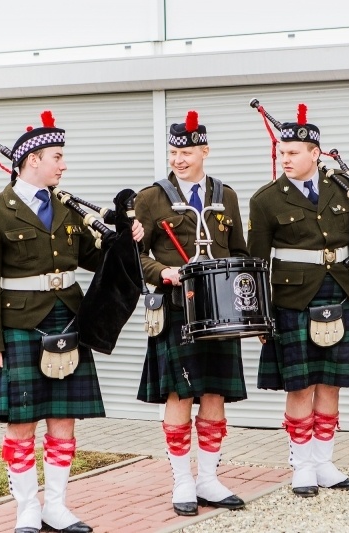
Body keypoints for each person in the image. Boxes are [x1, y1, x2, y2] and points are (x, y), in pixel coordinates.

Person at [0, 110, 143, 533]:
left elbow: (94, 258)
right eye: (57, 156)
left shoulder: (64, 207)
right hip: (19, 324)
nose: (64, 165)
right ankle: (27, 507)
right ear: (33, 160)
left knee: (64, 417)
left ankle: (57, 506)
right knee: (22, 420)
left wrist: (124, 239)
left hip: (67, 318)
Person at [247, 104, 349, 497]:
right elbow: (256, 264)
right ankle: (302, 465)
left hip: (338, 292)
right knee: (301, 385)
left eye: (293, 152)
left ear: (315, 152)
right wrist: (260, 315)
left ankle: (325, 462)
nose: (285, 158)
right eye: (281, 152)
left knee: (331, 383)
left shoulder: (342, 189)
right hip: (291, 299)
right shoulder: (266, 200)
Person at [134, 111, 248, 516]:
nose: (178, 159)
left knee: (215, 391)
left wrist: (247, 303)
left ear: (205, 150)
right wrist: (160, 271)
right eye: (173, 151)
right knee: (180, 392)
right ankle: (182, 480)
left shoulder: (226, 195)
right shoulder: (150, 198)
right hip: (176, 308)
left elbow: (240, 253)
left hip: (220, 310)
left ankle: (209, 479)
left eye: (186, 152)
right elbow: (135, 255)